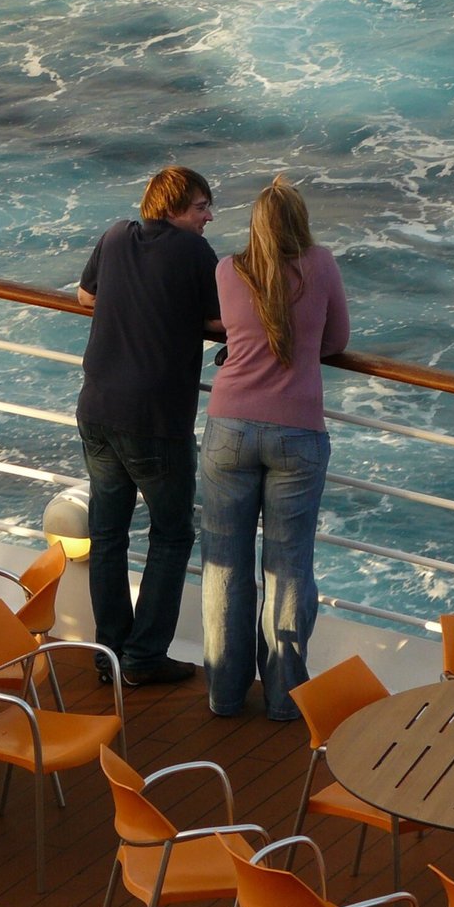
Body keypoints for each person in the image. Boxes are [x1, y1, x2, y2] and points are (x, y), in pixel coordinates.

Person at [201, 176, 350, 720]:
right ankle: (284, 699)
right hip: (297, 433)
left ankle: (224, 693)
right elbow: (336, 341)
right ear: (300, 222)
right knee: (287, 570)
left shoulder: (228, 269)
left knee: (224, 566)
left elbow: (238, 329)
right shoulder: (321, 264)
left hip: (229, 428)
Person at [76, 166, 218, 686]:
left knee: (108, 534)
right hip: (155, 418)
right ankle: (143, 657)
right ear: (175, 207)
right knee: (172, 534)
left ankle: (108, 653)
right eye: (201, 206)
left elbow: (85, 296)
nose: (209, 217)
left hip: (97, 410)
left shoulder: (115, 236)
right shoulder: (194, 252)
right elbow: (225, 321)